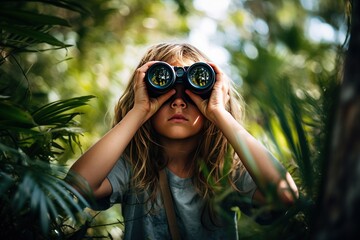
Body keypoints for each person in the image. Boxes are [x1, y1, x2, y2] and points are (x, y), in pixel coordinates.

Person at [68, 42, 298, 239]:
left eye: (192, 90)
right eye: (165, 88)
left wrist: (219, 112)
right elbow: (77, 185)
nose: (179, 101)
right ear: (143, 91)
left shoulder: (226, 170)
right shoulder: (134, 166)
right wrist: (139, 110)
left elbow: (284, 195)